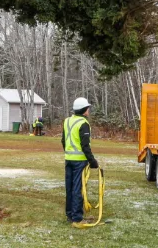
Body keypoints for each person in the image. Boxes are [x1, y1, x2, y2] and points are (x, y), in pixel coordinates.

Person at [62, 97, 98, 227]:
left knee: (70, 188)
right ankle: (77, 218)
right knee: (78, 189)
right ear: (84, 110)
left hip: (69, 160)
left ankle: (70, 215)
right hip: (79, 162)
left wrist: (68, 153)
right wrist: (92, 161)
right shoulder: (83, 123)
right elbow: (85, 145)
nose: (89, 110)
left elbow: (63, 141)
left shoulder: (67, 121)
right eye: (88, 108)